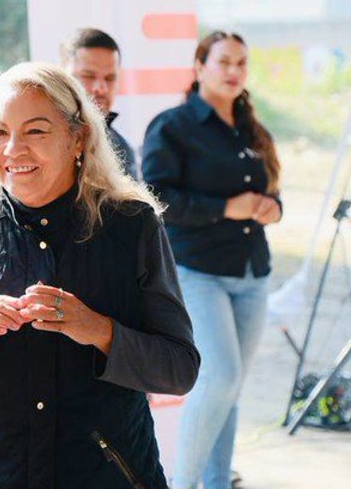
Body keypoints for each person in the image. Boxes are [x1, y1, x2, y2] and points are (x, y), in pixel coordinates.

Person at [0, 62, 199, 488]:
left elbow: (178, 369)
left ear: (78, 138)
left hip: (109, 477)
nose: (13, 149)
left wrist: (100, 331)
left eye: (35, 131)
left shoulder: (132, 226)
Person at [142, 31, 282, 489]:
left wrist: (272, 207)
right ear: (199, 66)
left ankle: (219, 482)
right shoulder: (173, 126)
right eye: (223, 61)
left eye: (241, 62)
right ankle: (183, 483)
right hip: (198, 271)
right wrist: (226, 208)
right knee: (218, 378)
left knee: (232, 386)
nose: (233, 71)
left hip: (252, 272)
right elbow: (157, 198)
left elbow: (270, 191)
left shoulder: (251, 130)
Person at [61, 27, 140, 179]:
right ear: (63, 76)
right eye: (88, 76)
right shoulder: (40, 135)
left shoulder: (121, 148)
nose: (101, 89)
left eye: (110, 78)